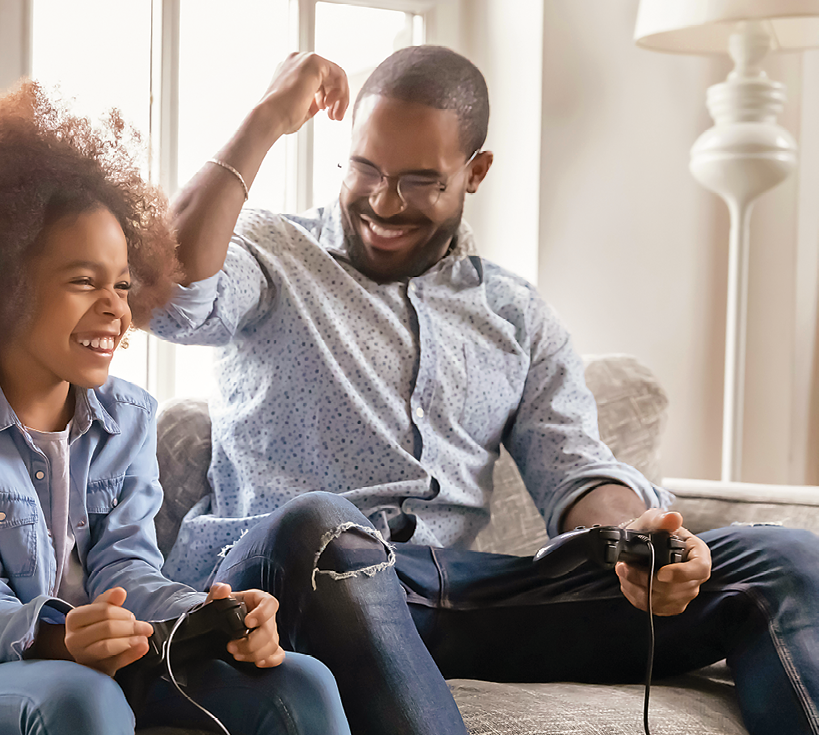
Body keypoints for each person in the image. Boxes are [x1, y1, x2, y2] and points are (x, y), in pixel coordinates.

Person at [147, 45, 819, 735]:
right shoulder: (273, 253)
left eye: (418, 181)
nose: (383, 201)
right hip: (286, 574)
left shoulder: (513, 315)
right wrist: (264, 120)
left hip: (444, 593)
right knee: (323, 524)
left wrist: (634, 539)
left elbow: (575, 469)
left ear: (476, 172)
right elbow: (166, 294)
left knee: (786, 557)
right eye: (367, 169)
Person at [0, 80, 351, 735]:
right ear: (2, 286)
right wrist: (63, 635)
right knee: (82, 700)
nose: (116, 308)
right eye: (84, 281)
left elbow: (126, 566)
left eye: (123, 284)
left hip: (116, 662)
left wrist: (209, 613)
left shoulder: (127, 416)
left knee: (301, 681)